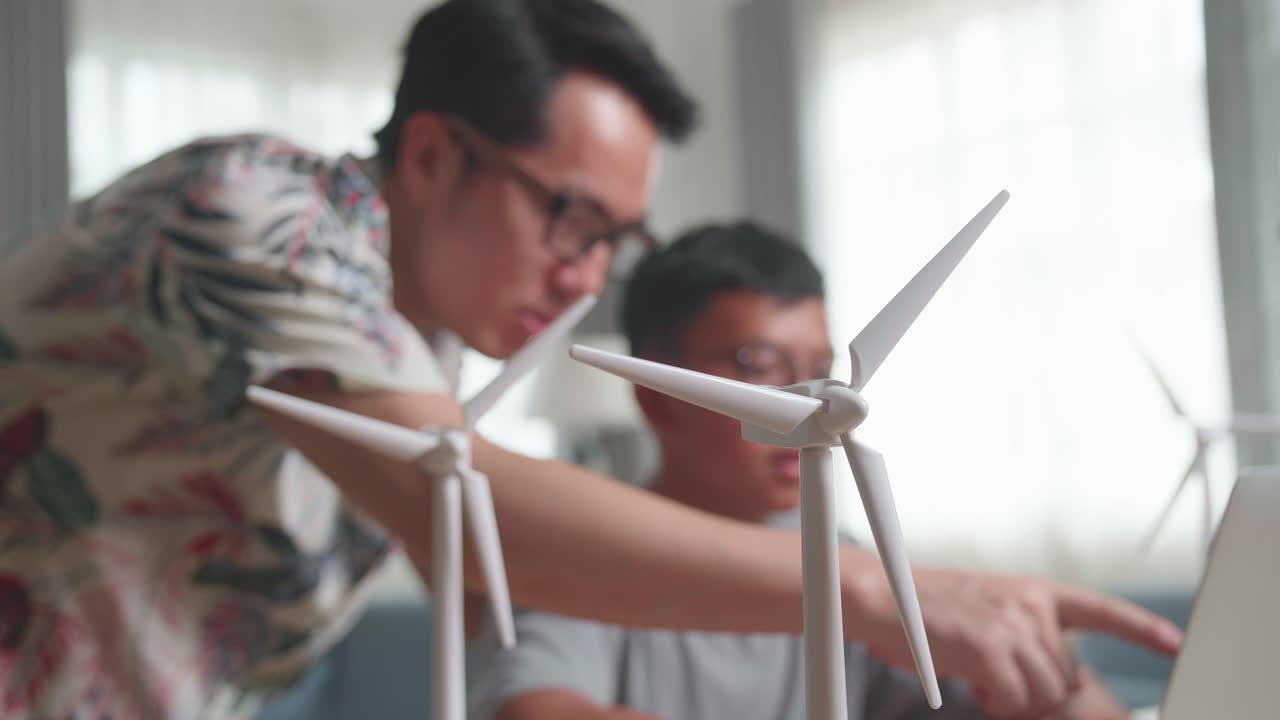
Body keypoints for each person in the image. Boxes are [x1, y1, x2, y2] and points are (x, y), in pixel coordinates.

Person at [0, 0, 1178, 717]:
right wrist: (874, 593)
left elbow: (488, 580)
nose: (584, 278)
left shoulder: (412, 349)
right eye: (570, 219)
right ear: (432, 155)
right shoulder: (256, 212)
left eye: (617, 240)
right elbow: (477, 513)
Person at [469, 223, 1133, 720]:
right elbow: (536, 707)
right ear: (658, 398)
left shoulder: (848, 563)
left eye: (821, 365)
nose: (814, 398)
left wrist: (1054, 683)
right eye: (758, 365)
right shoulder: (588, 562)